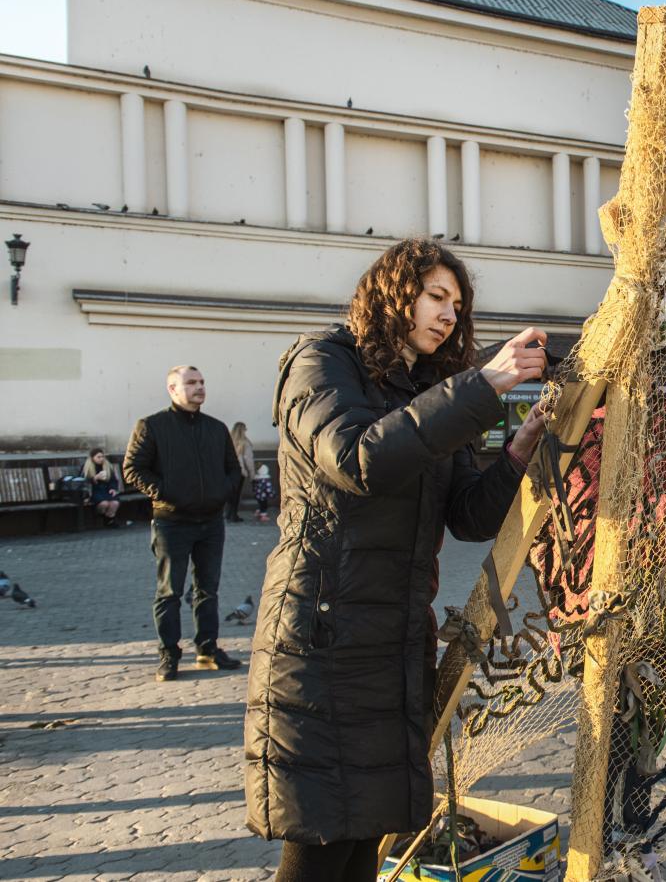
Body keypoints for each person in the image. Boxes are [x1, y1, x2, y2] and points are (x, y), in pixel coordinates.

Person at [244, 238, 550, 882]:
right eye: (435, 296)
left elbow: (468, 515)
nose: (447, 315)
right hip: (322, 635)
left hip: (393, 639)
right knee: (321, 833)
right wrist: (486, 382)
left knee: (365, 834)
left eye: (456, 306)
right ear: (392, 293)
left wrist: (518, 452)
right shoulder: (323, 360)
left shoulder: (434, 387)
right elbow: (360, 459)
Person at [124, 365, 244, 682]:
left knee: (208, 590)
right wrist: (168, 493)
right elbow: (133, 469)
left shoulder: (216, 428)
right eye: (191, 383)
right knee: (169, 593)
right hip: (171, 522)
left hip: (211, 522)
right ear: (173, 389)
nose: (199, 387)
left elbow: (234, 471)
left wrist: (221, 493)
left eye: (202, 382)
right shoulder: (152, 426)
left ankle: (207, 650)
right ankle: (169, 656)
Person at [82, 447, 125, 526]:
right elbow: (83, 482)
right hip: (94, 491)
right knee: (104, 504)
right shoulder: (87, 468)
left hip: (106, 490)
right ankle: (101, 516)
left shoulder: (107, 466)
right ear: (92, 458)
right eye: (98, 457)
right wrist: (95, 478)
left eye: (102, 456)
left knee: (115, 503)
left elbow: (113, 480)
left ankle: (109, 519)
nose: (101, 459)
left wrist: (113, 489)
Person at [228, 422, 254, 522]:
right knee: (236, 494)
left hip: (227, 471)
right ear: (242, 430)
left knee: (230, 493)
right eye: (245, 429)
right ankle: (233, 515)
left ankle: (228, 514)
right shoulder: (245, 443)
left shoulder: (229, 441)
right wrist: (252, 474)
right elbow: (248, 460)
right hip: (239, 471)